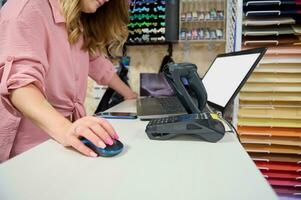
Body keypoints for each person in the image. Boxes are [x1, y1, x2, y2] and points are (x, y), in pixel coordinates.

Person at [0, 0, 137, 162]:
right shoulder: (27, 7)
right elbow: (21, 86)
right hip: (27, 150)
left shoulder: (77, 20)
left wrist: (131, 95)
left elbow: (96, 62)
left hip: (63, 141)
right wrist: (66, 129)